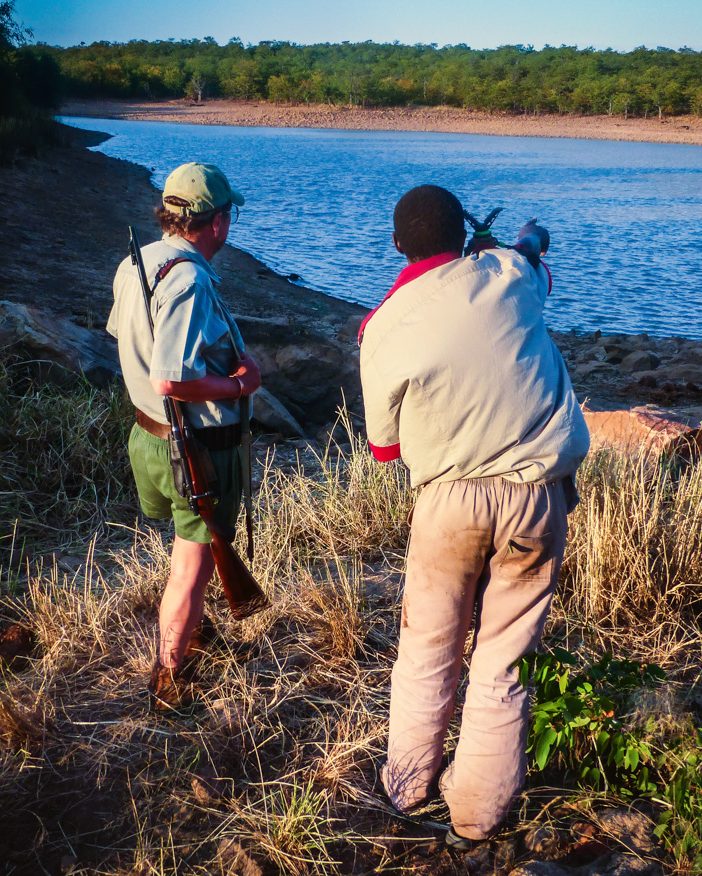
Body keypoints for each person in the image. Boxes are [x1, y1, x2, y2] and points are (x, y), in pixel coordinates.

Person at [359, 185, 590, 848]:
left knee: (429, 647)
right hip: (535, 496)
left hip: (447, 501)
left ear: (398, 245)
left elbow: (384, 448)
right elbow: (535, 264)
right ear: (464, 236)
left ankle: (406, 785)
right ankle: (479, 815)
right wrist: (515, 242)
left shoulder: (383, 324)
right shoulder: (511, 273)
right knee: (505, 658)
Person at [108, 162, 262, 709]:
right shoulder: (190, 278)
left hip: (147, 435)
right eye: (229, 215)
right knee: (192, 567)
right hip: (193, 447)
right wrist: (237, 383)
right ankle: (170, 675)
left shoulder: (138, 262)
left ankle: (189, 634)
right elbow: (172, 378)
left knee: (184, 551)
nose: (230, 224)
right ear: (216, 221)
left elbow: (123, 338)